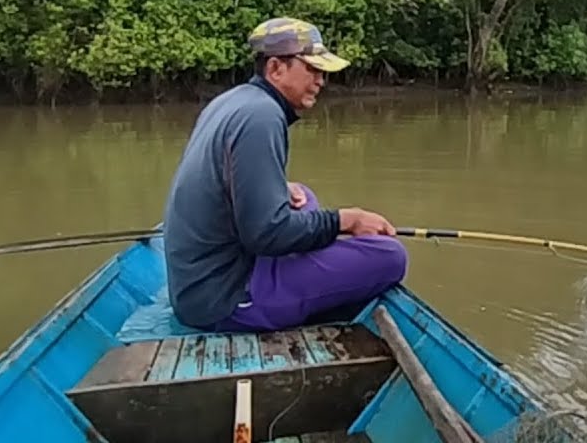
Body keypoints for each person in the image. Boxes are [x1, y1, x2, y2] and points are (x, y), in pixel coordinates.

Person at [162, 16, 408, 332]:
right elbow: (266, 234)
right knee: (390, 257)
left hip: (199, 285)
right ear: (276, 68)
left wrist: (273, 186)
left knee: (303, 196)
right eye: (312, 69)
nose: (321, 80)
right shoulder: (262, 117)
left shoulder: (233, 100)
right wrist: (347, 220)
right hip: (225, 299)